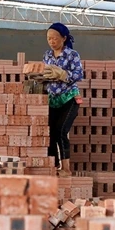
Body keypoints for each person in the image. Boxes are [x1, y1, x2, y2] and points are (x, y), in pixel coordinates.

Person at [43, 22, 84, 177]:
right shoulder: (47, 55)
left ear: (64, 38)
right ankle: (53, 166)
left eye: (54, 38)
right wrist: (40, 77)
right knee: (51, 132)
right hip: (52, 99)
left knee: (61, 130)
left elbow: (79, 75)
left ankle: (66, 168)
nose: (52, 42)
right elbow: (46, 75)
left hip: (69, 98)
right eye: (49, 39)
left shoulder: (72, 55)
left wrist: (64, 74)